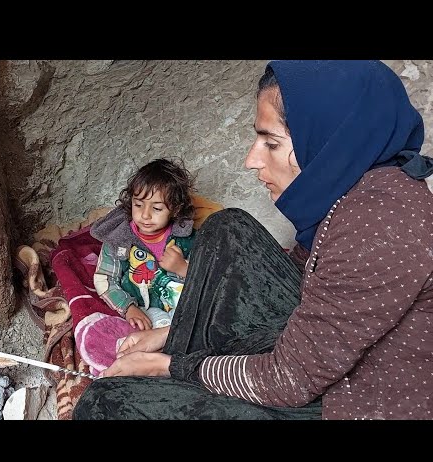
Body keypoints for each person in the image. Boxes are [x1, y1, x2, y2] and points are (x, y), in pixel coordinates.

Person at [73, 60, 433, 420]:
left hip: (358, 398)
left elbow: (287, 380)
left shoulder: (378, 227)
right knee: (226, 229)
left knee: (105, 402)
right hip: (318, 355)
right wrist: (169, 333)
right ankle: (184, 353)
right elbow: (305, 282)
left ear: (329, 141)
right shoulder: (361, 187)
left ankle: (171, 372)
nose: (251, 160)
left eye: (271, 143)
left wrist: (168, 367)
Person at [90, 158, 196, 331]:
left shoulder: (186, 237)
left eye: (157, 208)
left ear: (175, 209)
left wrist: (183, 268)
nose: (145, 215)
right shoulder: (118, 239)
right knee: (159, 330)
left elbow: (209, 276)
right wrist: (128, 308)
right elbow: (104, 278)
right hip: (145, 311)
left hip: (183, 307)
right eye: (138, 205)